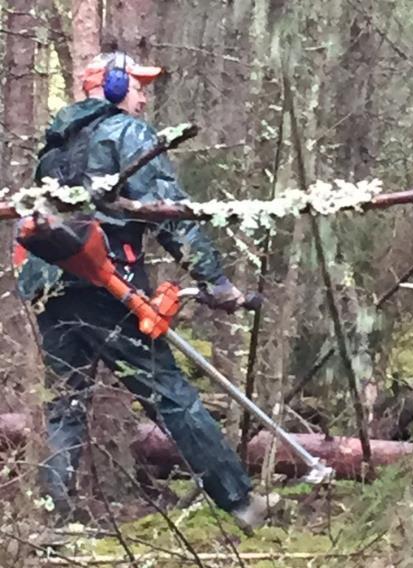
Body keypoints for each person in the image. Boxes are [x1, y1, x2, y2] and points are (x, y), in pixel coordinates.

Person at [16, 51, 277, 532]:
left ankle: (50, 522)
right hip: (107, 285)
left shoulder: (53, 149)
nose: (142, 95)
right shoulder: (127, 133)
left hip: (51, 287)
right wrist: (214, 281)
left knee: (65, 404)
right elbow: (169, 213)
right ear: (112, 87)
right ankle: (241, 502)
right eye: (136, 85)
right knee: (172, 396)